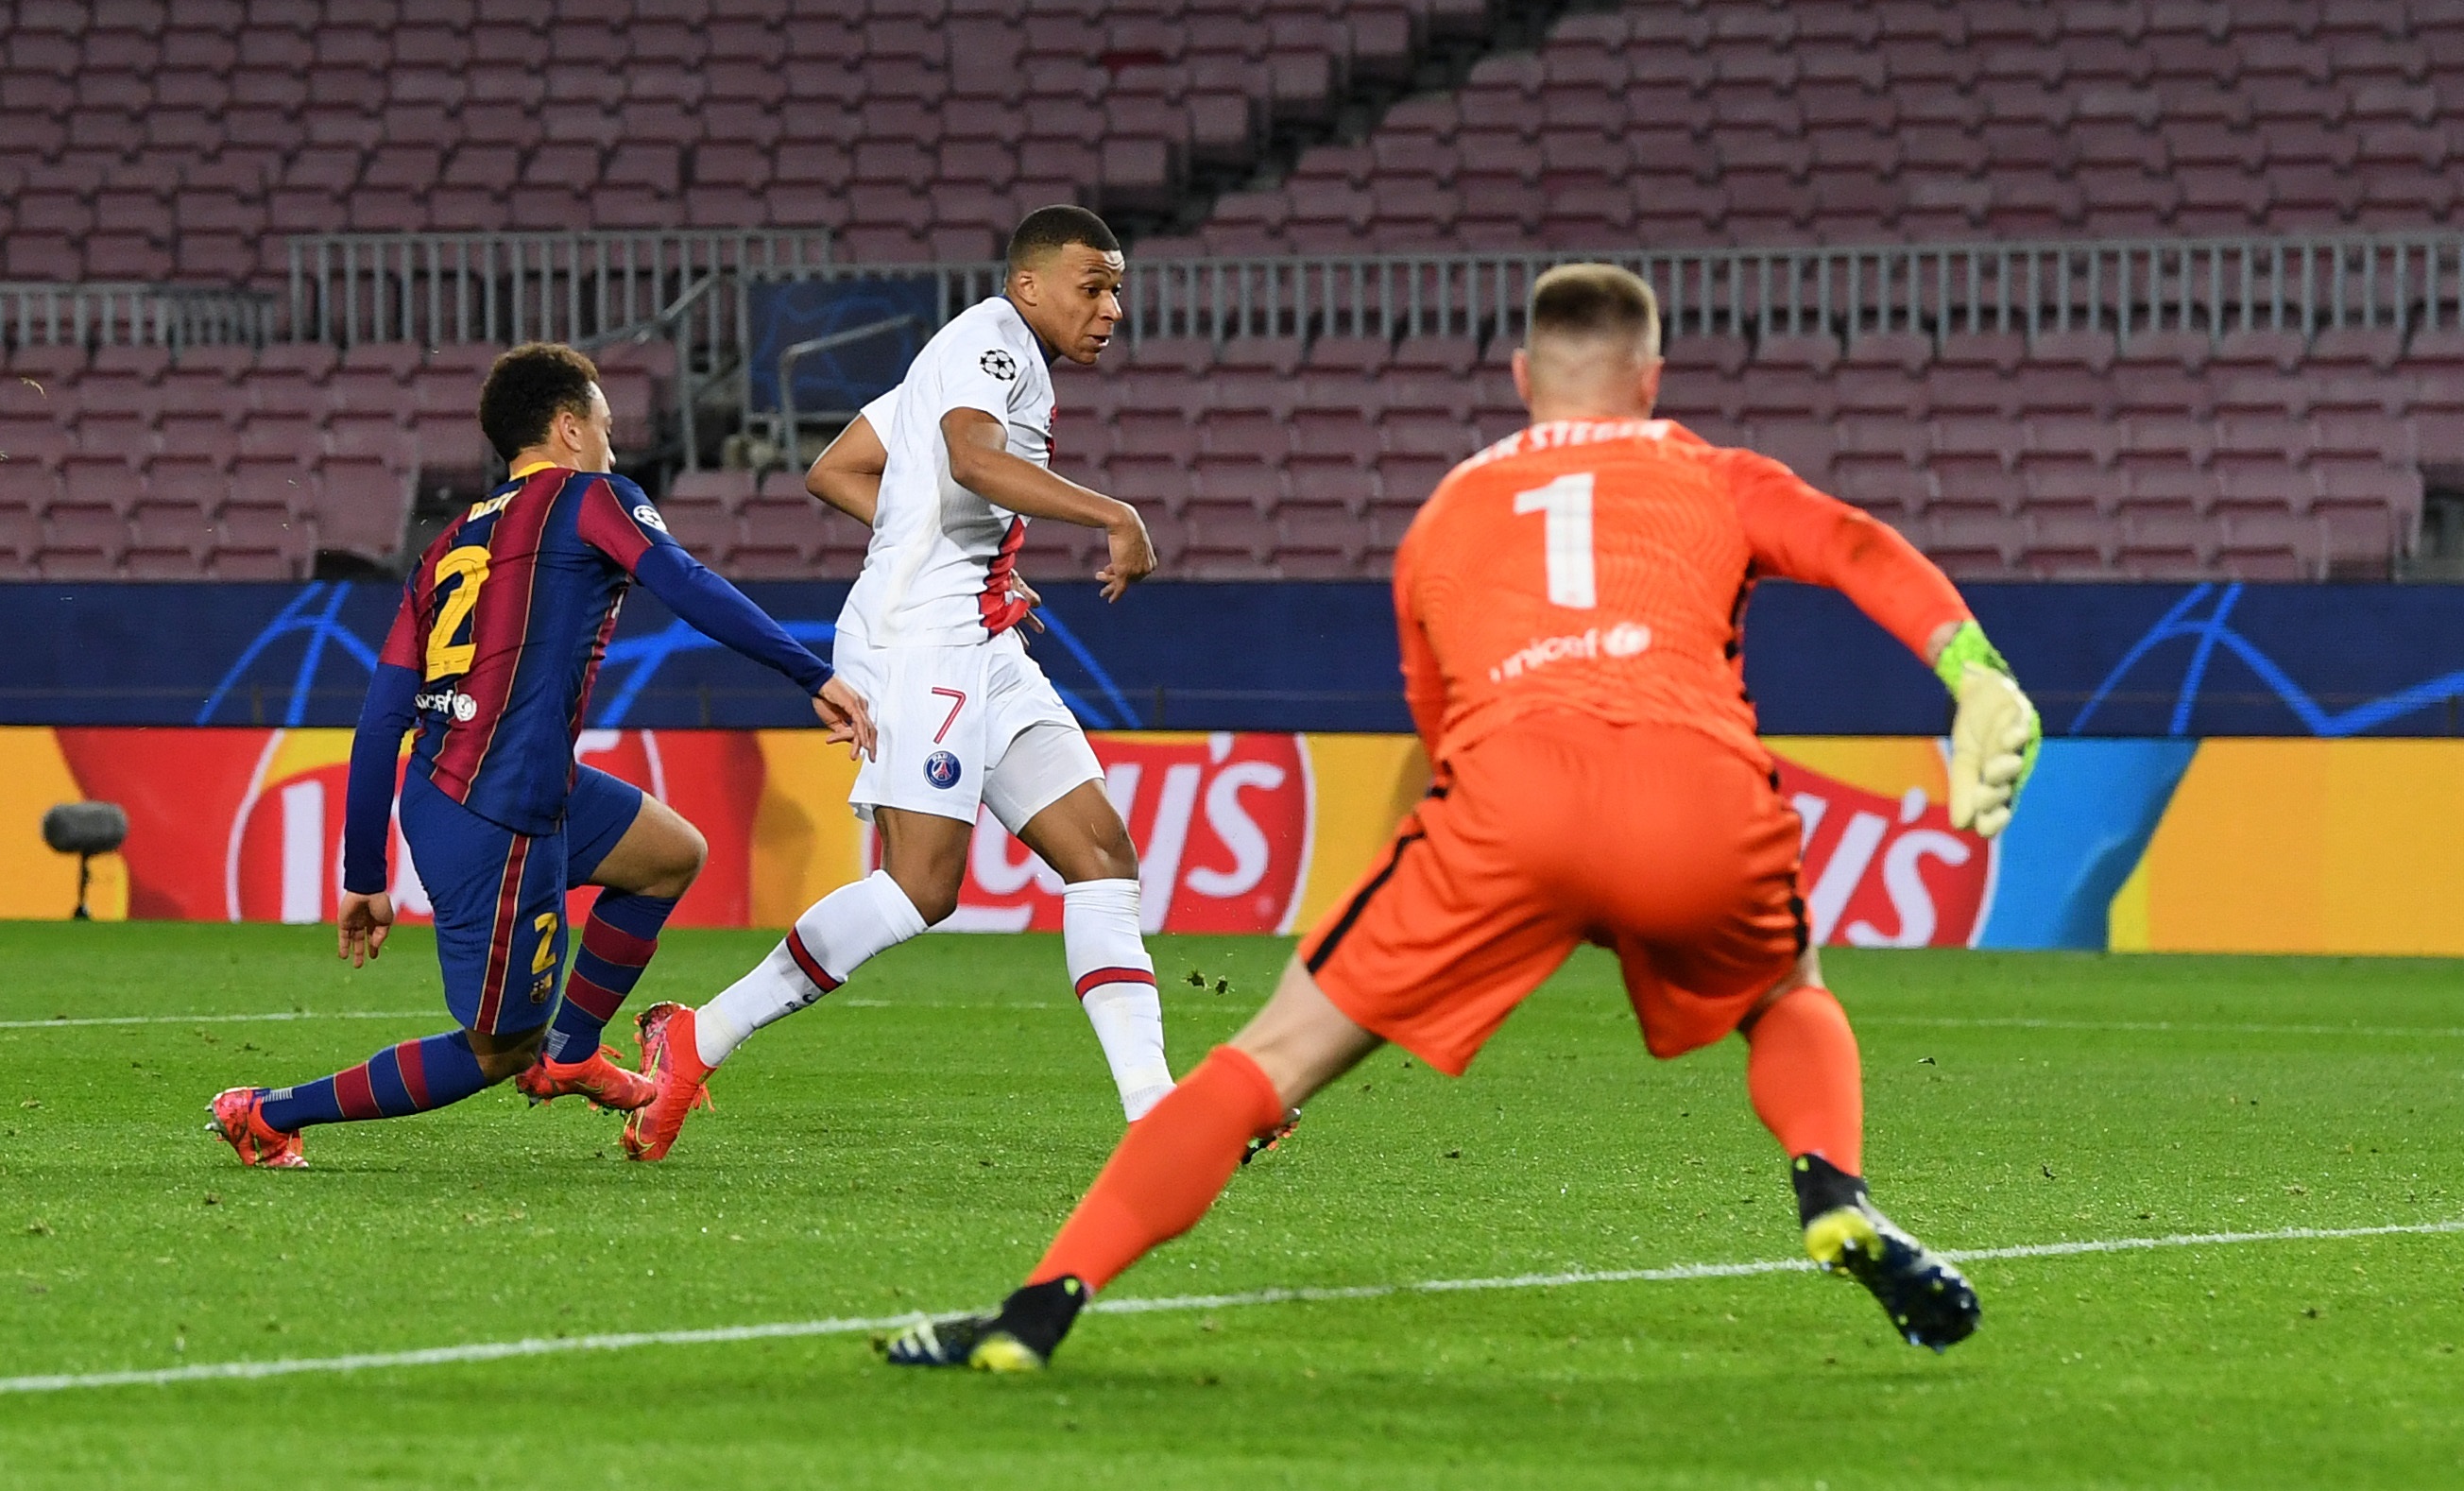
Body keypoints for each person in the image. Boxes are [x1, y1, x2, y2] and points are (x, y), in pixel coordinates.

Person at [883, 262, 2043, 1372]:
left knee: (1268, 1057)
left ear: (1519, 376)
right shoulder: (1712, 471)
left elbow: (1442, 735)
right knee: (1787, 990)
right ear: (1649, 378)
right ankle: (1832, 1195)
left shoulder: (1446, 514)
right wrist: (1973, 668)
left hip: (1509, 805)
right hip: (1695, 791)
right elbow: (1856, 545)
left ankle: (1036, 1309)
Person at [207, 344, 877, 1169]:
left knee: (670, 856)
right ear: (567, 427)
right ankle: (268, 1114)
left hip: (491, 784)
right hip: (495, 810)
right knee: (496, 1051)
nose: (612, 446)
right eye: (603, 427)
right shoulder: (590, 497)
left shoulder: (448, 545)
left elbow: (382, 718)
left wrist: (364, 871)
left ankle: (573, 1049)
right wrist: (811, 672)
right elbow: (687, 583)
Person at [623, 206, 1174, 1158]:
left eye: (1117, 287)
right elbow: (973, 458)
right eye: (1094, 286)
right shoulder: (993, 345)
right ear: (1030, 283)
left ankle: (1157, 1113)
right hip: (920, 643)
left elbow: (839, 469)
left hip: (976, 634)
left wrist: (957, 545)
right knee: (921, 888)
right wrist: (1112, 515)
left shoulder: (964, 353)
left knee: (1102, 862)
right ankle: (697, 1036)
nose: (1111, 307)